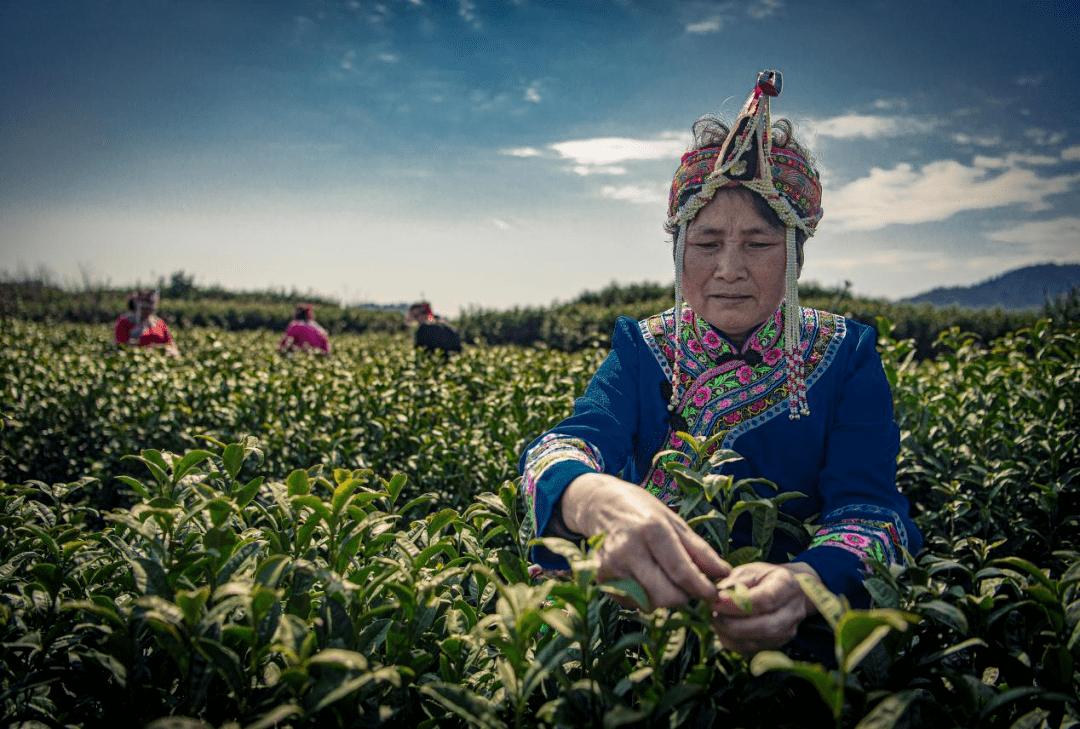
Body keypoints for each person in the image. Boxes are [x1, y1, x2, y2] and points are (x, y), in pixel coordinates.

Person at [519, 70, 922, 657]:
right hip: (642, 632)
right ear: (679, 254)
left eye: (758, 245)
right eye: (706, 244)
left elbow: (872, 510)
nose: (729, 268)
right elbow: (566, 446)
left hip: (786, 644)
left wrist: (807, 583)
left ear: (795, 256)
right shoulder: (642, 348)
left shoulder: (848, 357)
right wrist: (591, 497)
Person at [114, 289, 178, 357]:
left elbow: (171, 344)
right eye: (145, 301)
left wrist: (172, 351)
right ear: (136, 302)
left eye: (152, 302)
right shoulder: (125, 321)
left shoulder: (159, 322)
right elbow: (121, 347)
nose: (148, 305)